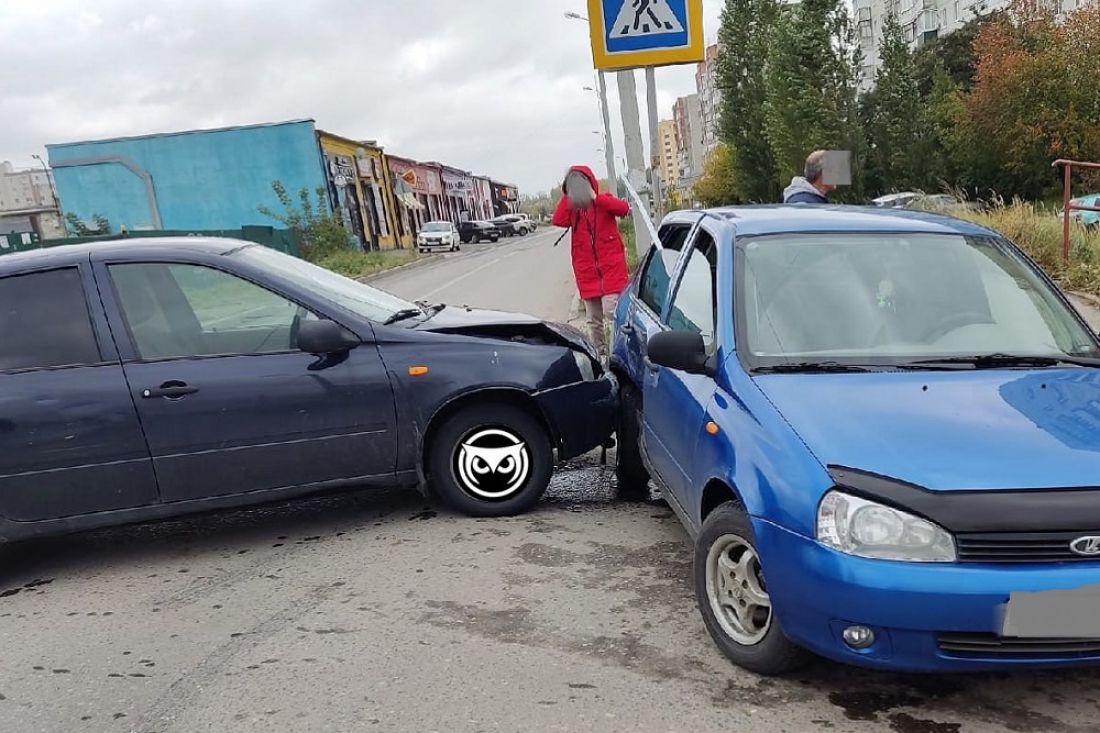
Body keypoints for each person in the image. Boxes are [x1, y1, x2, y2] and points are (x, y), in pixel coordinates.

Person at [551, 165, 631, 358]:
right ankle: (599, 354)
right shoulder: (573, 210)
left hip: (611, 270)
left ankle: (620, 352)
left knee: (612, 312)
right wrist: (568, 194)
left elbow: (624, 209)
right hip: (587, 273)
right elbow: (558, 220)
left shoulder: (605, 202)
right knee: (593, 320)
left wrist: (595, 197)